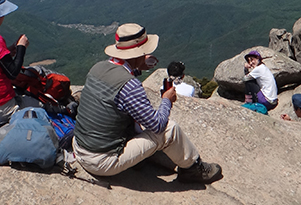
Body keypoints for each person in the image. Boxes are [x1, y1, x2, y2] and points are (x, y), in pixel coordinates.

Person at [72, 23, 222, 183]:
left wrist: (138, 66)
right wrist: (167, 100)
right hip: (101, 161)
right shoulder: (130, 86)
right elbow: (157, 126)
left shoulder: (97, 68)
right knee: (169, 130)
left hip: (79, 147)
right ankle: (193, 169)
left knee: (132, 118)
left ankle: (138, 159)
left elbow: (119, 78)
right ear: (138, 53)